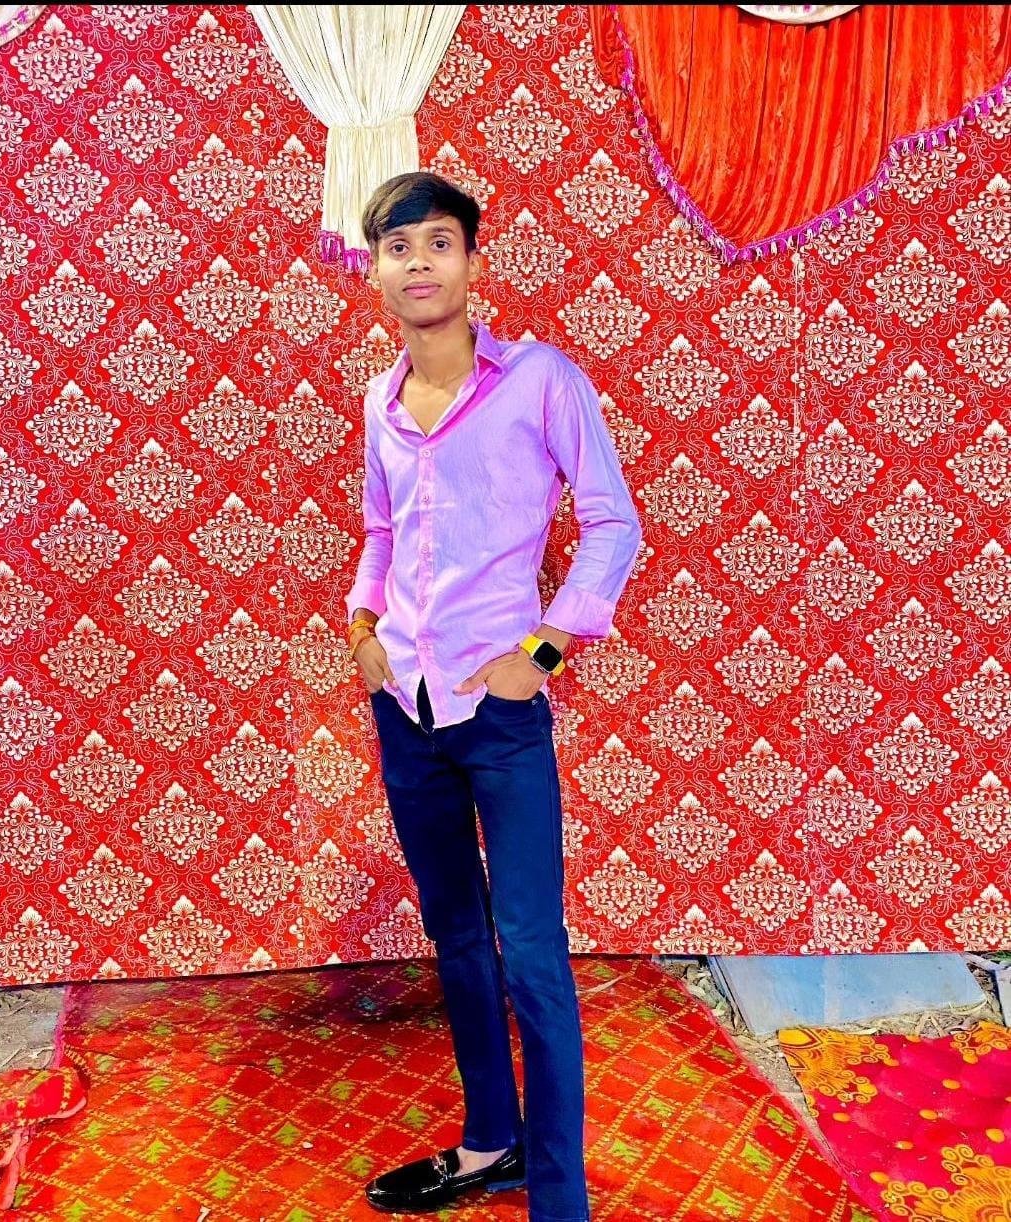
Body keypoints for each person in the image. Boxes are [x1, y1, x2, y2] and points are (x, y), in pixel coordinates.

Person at [344, 171, 641, 1221]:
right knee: (456, 935)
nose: (418, 262)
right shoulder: (379, 400)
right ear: (375, 272)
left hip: (499, 713)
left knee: (532, 951)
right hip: (405, 707)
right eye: (397, 247)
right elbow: (382, 529)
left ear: (472, 262)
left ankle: (559, 1199)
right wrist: (362, 626)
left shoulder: (539, 379)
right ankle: (489, 1144)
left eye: (438, 242)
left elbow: (612, 522)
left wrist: (543, 651)